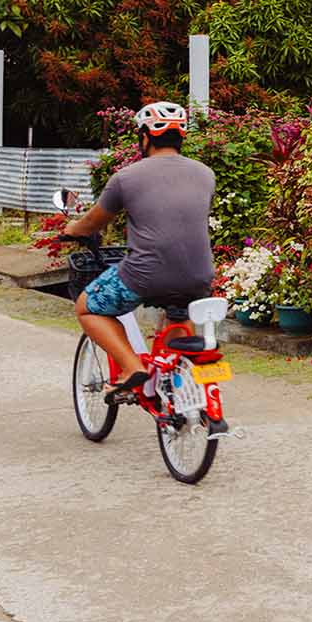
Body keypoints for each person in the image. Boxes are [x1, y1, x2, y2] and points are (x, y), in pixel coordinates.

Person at [68, 101, 216, 400]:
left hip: (145, 275)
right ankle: (175, 392)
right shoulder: (205, 174)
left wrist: (71, 230)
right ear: (181, 138)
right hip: (199, 276)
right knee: (177, 312)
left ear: (145, 137)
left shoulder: (126, 178)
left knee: (86, 306)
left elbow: (91, 224)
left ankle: (131, 366)